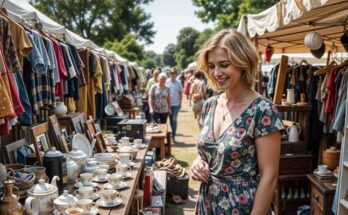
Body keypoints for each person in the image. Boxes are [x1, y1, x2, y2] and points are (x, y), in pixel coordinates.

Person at [190, 29, 284, 215]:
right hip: (206, 204)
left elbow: (269, 177)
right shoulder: (209, 105)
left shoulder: (262, 110)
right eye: (211, 65)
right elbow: (210, 153)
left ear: (243, 63)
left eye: (224, 65)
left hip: (242, 208)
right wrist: (198, 163)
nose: (216, 72)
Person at [166, 67, 183, 141]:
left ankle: (173, 134)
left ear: (176, 74)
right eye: (171, 73)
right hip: (168, 104)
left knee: (174, 119)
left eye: (174, 73)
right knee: (170, 119)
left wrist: (180, 102)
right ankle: (172, 133)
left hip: (175, 104)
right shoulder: (166, 82)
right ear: (170, 74)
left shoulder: (178, 82)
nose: (173, 74)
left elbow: (180, 93)